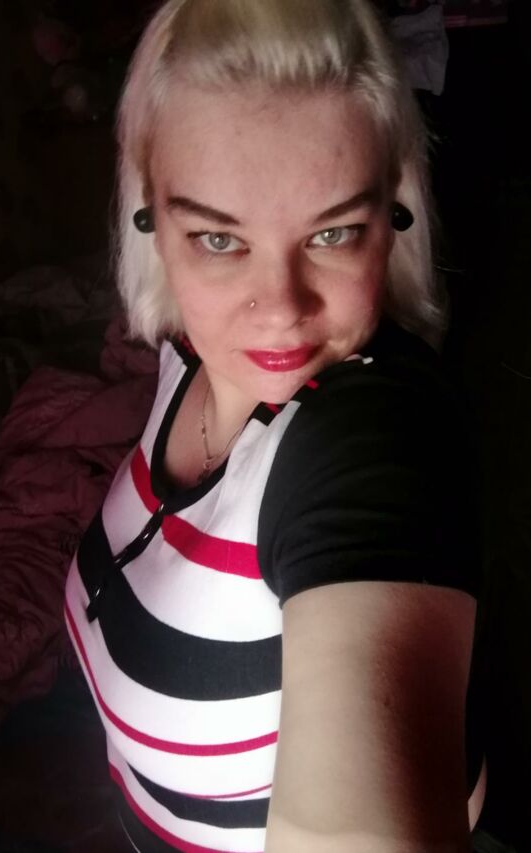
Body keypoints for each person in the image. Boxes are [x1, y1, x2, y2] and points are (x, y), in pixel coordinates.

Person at [64, 0, 486, 850]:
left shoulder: (370, 437)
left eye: (333, 231)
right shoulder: (189, 355)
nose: (282, 311)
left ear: (392, 215)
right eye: (219, 241)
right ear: (152, 219)